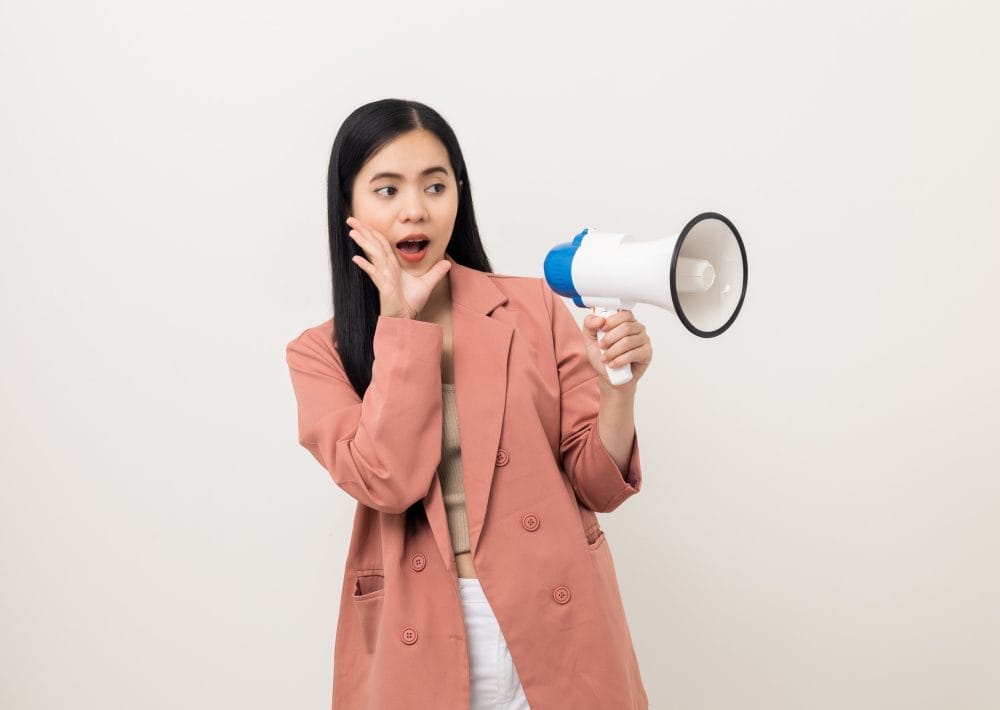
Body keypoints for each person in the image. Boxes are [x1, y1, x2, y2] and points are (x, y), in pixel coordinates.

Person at [285, 98, 654, 710]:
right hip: (422, 634)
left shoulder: (532, 307)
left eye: (435, 185)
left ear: (460, 193)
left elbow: (597, 488)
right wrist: (401, 324)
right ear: (346, 207)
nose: (415, 209)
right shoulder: (319, 354)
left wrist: (618, 392)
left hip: (559, 621)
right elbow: (389, 481)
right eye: (387, 189)